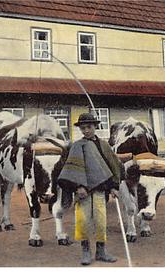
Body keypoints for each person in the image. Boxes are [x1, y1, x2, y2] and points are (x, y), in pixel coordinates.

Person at [58, 113, 122, 266]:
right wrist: (78, 186)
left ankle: (101, 251)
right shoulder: (77, 146)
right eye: (83, 128)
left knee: (101, 220)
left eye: (89, 127)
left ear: (95, 127)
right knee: (83, 221)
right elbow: (72, 168)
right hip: (83, 192)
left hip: (100, 190)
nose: (86, 130)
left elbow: (112, 165)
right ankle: (85, 251)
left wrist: (114, 186)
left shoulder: (104, 145)